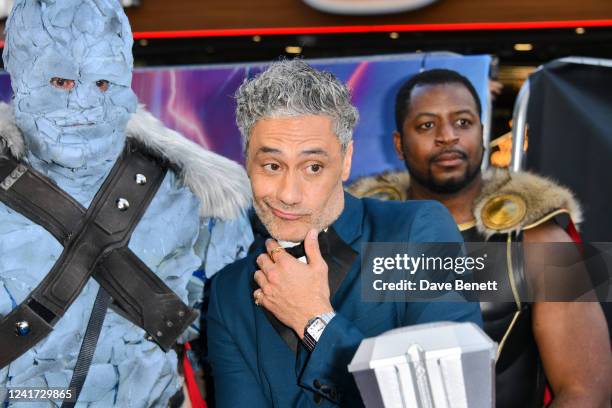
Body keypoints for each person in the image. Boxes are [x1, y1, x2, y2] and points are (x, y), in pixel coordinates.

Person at [0, 1, 252, 407]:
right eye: (62, 81)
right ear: (20, 71)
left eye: (103, 83)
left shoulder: (194, 196)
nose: (84, 102)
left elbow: (234, 339)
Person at [206, 60, 482, 407]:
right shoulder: (228, 290)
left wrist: (315, 320)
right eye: (272, 166)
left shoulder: (418, 231)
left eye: (313, 167)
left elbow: (448, 399)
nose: (288, 194)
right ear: (247, 161)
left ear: (346, 159)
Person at [348, 68, 612, 407]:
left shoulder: (548, 242)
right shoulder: (356, 236)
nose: (448, 136)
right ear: (399, 144)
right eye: (427, 125)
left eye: (462, 122)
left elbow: (589, 392)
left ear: (483, 134)